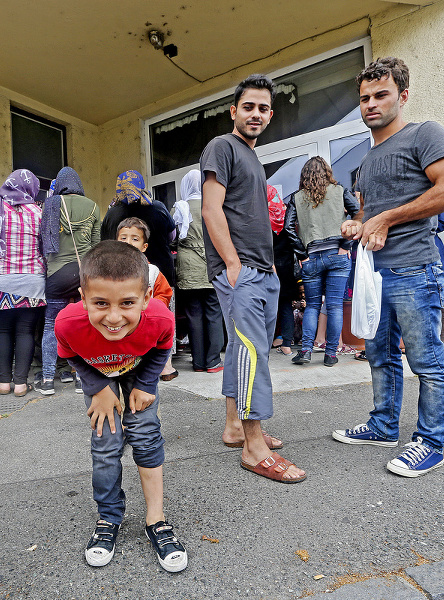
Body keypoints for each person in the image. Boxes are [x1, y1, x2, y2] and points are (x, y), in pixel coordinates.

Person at [331, 57, 444, 477]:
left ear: (402, 96)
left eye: (381, 95)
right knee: (378, 353)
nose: (370, 104)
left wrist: (387, 219)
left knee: (426, 360)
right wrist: (360, 223)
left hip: (415, 268)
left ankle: (430, 442)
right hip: (375, 272)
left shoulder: (424, 134)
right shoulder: (366, 160)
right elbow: (373, 212)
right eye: (364, 98)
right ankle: (383, 425)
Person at [55, 240, 187, 572]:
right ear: (83, 298)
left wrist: (145, 384)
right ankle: (109, 517)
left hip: (138, 370)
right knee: (105, 444)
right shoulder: (68, 323)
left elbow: (163, 347)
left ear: (146, 298)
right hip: (99, 375)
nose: (114, 317)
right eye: (101, 303)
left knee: (145, 435)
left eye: (127, 303)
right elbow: (69, 354)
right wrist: (98, 387)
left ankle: (156, 519)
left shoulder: (160, 318)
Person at [201, 73, 306, 484]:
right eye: (249, 106)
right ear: (233, 111)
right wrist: (232, 264)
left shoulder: (251, 157)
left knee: (243, 353)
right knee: (251, 354)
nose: (256, 114)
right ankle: (253, 447)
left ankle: (233, 428)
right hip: (241, 270)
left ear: (270, 114)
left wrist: (269, 269)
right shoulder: (222, 146)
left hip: (263, 271)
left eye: (263, 108)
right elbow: (211, 210)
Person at [286, 157, 360, 367]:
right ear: (327, 172)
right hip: (338, 255)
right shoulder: (340, 191)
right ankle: (330, 354)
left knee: (312, 306)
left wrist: (302, 255)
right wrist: (346, 246)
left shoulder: (296, 198)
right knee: (335, 306)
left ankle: (307, 351)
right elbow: (358, 215)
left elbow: (289, 228)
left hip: (312, 258)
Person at [0, 169, 46, 397]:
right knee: (26, 331)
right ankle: (20, 384)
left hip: (3, 279)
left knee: (2, 330)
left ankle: (3, 383)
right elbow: (47, 245)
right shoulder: (38, 211)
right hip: (33, 280)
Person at [36, 166, 101, 396]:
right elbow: (96, 247)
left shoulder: (51, 205)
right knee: (82, 324)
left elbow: (43, 244)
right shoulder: (93, 206)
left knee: (51, 326)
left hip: (56, 275)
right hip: (84, 275)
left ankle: (46, 380)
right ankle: (80, 379)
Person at [172, 169, 224, 372]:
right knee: (213, 313)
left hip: (188, 268)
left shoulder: (179, 208)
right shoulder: (211, 205)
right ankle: (213, 361)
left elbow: (173, 239)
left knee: (193, 315)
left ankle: (198, 362)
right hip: (211, 265)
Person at [115, 217, 177, 381]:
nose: (128, 242)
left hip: (144, 328)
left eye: (134, 239)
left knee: (143, 372)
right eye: (123, 238)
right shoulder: (108, 271)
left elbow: (164, 294)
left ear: (144, 246)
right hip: (118, 328)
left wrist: (151, 311)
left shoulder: (152, 271)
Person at [100, 170, 177, 287]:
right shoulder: (158, 208)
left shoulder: (111, 214)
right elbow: (172, 236)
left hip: (124, 277)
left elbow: (105, 245)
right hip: (161, 275)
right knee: (161, 304)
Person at [269, 184, 298, 356]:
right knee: (286, 306)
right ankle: (286, 343)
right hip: (286, 267)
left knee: (268, 307)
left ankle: (269, 339)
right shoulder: (286, 215)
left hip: (269, 266)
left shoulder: (263, 217)